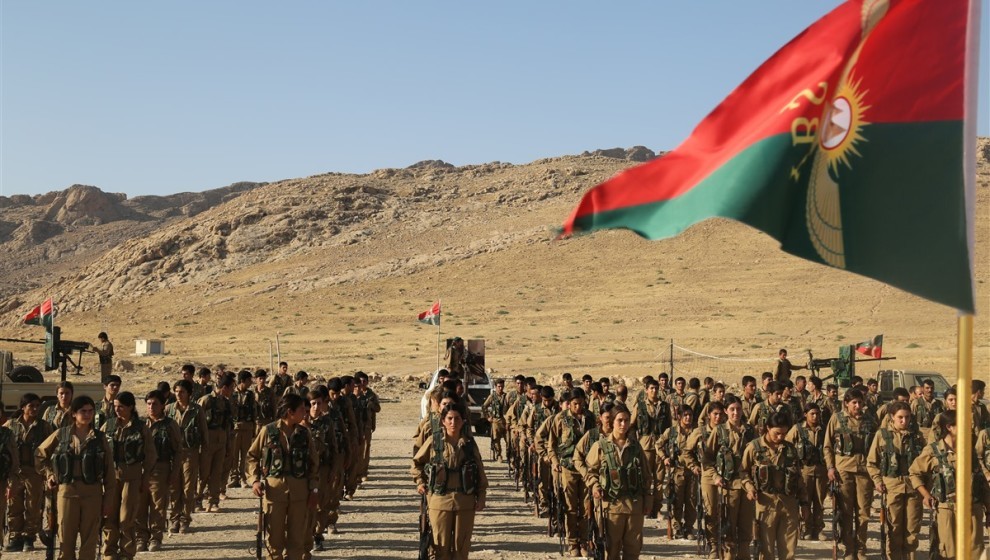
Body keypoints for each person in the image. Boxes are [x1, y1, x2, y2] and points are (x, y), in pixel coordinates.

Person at [36, 396, 117, 560]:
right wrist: (49, 474)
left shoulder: (100, 438)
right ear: (73, 413)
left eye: (90, 411)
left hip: (92, 493)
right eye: (82, 411)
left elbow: (109, 472)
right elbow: (40, 455)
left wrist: (108, 500)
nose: (87, 415)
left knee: (89, 540)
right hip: (67, 493)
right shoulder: (61, 434)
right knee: (66, 539)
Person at [248, 393, 320, 560]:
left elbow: (313, 464)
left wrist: (314, 489)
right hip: (274, 495)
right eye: (302, 409)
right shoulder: (268, 431)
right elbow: (252, 456)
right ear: (290, 412)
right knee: (274, 541)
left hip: (300, 495)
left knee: (297, 541)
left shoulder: (304, 433)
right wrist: (255, 480)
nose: (305, 412)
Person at [412, 403, 487, 560]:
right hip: (439, 500)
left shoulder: (469, 444)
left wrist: (481, 496)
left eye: (457, 419)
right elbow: (417, 463)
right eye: (450, 419)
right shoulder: (434, 441)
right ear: (443, 421)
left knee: (461, 548)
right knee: (440, 548)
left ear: (463, 421)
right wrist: (420, 482)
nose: (454, 422)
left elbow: (480, 472)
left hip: (465, 501)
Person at [910, 412, 986, 560]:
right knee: (948, 552)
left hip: (973, 509)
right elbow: (914, 472)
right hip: (947, 509)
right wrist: (926, 494)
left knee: (975, 551)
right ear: (949, 427)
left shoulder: (970, 450)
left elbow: (981, 480)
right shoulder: (933, 451)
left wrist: (988, 510)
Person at [583, 403, 653, 560]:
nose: (623, 424)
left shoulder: (636, 446)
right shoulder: (600, 446)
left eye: (627, 420)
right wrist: (595, 486)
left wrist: (648, 500)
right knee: (611, 550)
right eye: (620, 420)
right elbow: (590, 472)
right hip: (611, 506)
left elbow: (647, 476)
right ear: (612, 422)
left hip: (634, 506)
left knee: (633, 549)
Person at [741, 411, 809, 560]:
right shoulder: (754, 447)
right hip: (766, 504)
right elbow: (743, 472)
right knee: (766, 550)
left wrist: (804, 502)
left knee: (789, 550)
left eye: (784, 434)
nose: (780, 437)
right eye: (777, 433)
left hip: (789, 504)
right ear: (767, 428)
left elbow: (798, 479)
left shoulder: (790, 449)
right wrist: (749, 487)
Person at [866, 401, 924, 560]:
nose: (904, 421)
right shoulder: (882, 435)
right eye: (900, 417)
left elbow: (925, 463)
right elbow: (871, 463)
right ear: (892, 417)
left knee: (912, 530)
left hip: (913, 488)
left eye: (907, 417)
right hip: (891, 487)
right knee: (894, 528)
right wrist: (877, 481)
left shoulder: (917, 436)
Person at [102, 391, 157, 560]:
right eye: (115, 406)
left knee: (127, 518)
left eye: (121, 407)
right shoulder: (109, 426)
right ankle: (110, 552)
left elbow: (150, 455)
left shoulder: (141, 428)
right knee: (109, 517)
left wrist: (145, 477)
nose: (117, 410)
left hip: (132, 478)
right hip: (111, 478)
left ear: (131, 407)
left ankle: (127, 552)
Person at [823, 388, 876, 560]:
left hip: (864, 471)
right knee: (845, 511)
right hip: (843, 470)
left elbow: (877, 447)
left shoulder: (869, 420)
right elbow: (827, 446)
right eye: (854, 402)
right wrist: (830, 467)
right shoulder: (837, 419)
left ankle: (861, 549)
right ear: (846, 403)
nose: (857, 406)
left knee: (863, 512)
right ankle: (849, 548)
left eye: (860, 402)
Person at [705, 396, 756, 560]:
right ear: (726, 411)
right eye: (732, 409)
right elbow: (707, 459)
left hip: (747, 486)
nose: (736, 413)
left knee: (746, 526)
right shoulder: (719, 432)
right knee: (728, 528)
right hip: (728, 486)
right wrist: (716, 476)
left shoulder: (750, 431)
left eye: (739, 409)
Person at [547, 388, 596, 557]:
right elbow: (551, 445)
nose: (578, 406)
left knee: (585, 507)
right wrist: (554, 462)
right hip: (567, 468)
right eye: (575, 403)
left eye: (581, 403)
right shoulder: (560, 419)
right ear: (570, 403)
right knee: (570, 507)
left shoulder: (590, 418)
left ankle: (583, 541)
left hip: (586, 469)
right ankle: (572, 542)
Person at [136, 390, 181, 552]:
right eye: (148, 403)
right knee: (139, 506)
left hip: (161, 469)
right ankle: (141, 537)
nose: (151, 407)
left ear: (163, 405)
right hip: (141, 470)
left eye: (155, 403)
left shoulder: (170, 425)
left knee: (157, 506)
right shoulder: (140, 424)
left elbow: (177, 451)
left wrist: (174, 473)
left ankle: (155, 538)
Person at [5, 393, 48, 552]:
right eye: (31, 406)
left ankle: (29, 537)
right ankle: (15, 536)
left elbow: (50, 449)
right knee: (14, 504)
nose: (35, 409)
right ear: (23, 407)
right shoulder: (10, 425)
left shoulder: (44, 426)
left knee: (33, 506)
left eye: (37, 406)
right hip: (15, 471)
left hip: (35, 472)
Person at [166, 379, 209, 534]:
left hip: (190, 453)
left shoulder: (196, 410)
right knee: (174, 488)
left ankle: (185, 519)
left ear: (189, 393)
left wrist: (204, 455)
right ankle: (174, 518)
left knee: (188, 488)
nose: (178, 394)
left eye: (182, 391)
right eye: (176, 391)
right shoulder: (169, 410)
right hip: (173, 454)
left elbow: (204, 434)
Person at [785, 403, 826, 540]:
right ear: (805, 414)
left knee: (820, 501)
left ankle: (818, 529)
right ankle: (806, 528)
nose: (815, 416)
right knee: (805, 500)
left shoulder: (824, 429)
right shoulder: (798, 429)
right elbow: (787, 445)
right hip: (804, 470)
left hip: (821, 470)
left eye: (817, 413)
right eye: (812, 414)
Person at [656, 405, 697, 539]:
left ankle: (689, 528)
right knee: (676, 500)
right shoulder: (671, 432)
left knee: (691, 501)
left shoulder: (695, 432)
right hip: (676, 471)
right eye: (685, 415)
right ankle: (677, 526)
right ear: (679, 416)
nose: (688, 417)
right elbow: (658, 444)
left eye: (690, 415)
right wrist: (664, 458)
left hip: (692, 472)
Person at [198, 374, 234, 512]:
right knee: (204, 473)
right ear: (224, 388)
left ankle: (213, 501)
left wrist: (228, 445)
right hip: (208, 439)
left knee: (217, 472)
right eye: (231, 388)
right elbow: (198, 422)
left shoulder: (226, 402)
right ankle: (198, 500)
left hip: (222, 439)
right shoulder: (206, 400)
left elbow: (228, 425)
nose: (232, 391)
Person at [230, 370, 259, 488]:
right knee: (234, 454)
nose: (250, 383)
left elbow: (254, 411)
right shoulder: (233, 394)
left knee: (245, 455)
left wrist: (254, 428)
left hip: (247, 427)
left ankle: (243, 478)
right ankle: (233, 477)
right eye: (248, 380)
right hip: (235, 428)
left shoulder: (250, 395)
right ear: (243, 381)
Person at [482, 379, 509, 461]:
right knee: (496, 439)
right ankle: (498, 455)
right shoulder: (492, 396)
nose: (500, 388)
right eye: (499, 386)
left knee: (508, 439)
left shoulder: (506, 396)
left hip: (505, 421)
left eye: (502, 386)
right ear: (495, 387)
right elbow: (484, 407)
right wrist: (488, 417)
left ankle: (509, 455)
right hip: (495, 421)